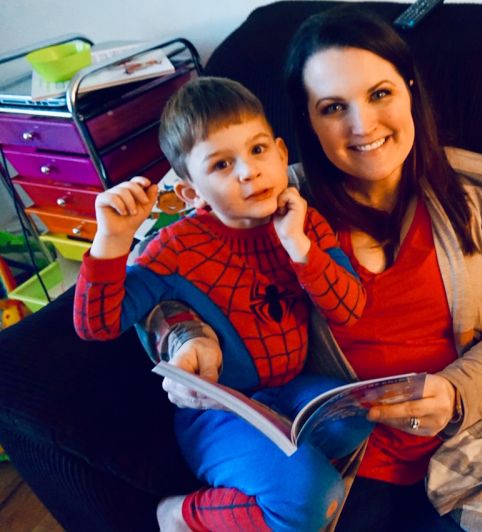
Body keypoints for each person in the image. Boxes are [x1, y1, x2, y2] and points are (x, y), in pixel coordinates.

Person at [146, 6, 482, 531]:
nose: (363, 125)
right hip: (341, 456)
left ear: (410, 89)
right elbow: (166, 277)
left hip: (471, 439)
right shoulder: (269, 200)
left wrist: (459, 393)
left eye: (380, 93)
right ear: (306, 120)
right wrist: (183, 338)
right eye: (333, 107)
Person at [72, 76, 372, 532]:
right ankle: (179, 515)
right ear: (192, 192)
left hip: (288, 392)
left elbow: (350, 309)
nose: (248, 172)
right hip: (215, 413)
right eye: (221, 164)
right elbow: (98, 324)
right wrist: (111, 241)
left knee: (356, 417)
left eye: (257, 150)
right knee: (313, 499)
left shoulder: (303, 222)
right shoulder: (175, 248)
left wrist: (299, 247)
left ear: (281, 154)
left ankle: (281, 474)